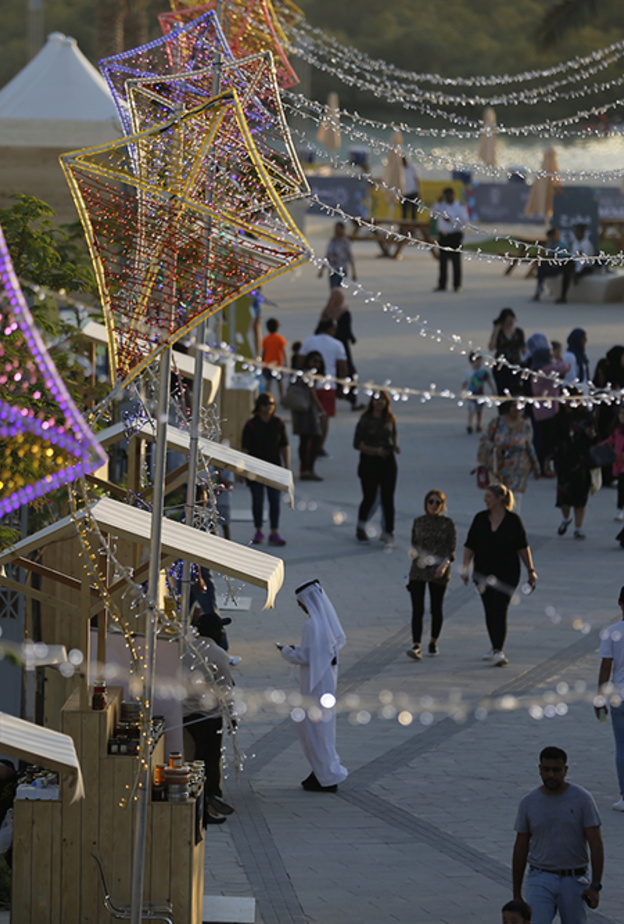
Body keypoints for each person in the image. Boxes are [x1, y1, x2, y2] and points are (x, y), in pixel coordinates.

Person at [512, 746, 604, 924]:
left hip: (574, 878)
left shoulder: (582, 799)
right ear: (539, 769)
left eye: (556, 770)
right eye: (546, 770)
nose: (551, 775)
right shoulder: (528, 802)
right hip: (539, 877)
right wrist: (516, 893)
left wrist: (595, 885)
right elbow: (520, 847)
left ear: (566, 770)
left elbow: (596, 844)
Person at [278, 579, 348, 792]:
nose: (300, 606)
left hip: (315, 686)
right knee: (323, 731)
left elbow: (306, 656)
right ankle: (322, 770)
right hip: (325, 683)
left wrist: (286, 651)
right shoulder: (324, 622)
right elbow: (322, 650)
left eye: (301, 602)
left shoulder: (311, 625)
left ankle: (326, 775)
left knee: (315, 731)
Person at [462, 483, 537, 666]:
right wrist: (465, 568)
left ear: (499, 499)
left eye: (488, 497)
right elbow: (470, 545)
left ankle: (498, 650)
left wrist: (531, 571)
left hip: (507, 573)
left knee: (499, 607)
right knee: (489, 608)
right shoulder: (480, 519)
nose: (485, 500)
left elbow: (523, 547)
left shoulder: (513, 521)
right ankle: (494, 646)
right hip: (483, 572)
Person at [183, 613, 237, 825]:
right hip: (209, 717)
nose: (222, 632)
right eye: (220, 628)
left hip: (187, 716)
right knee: (210, 765)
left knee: (194, 762)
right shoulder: (218, 653)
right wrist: (232, 716)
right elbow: (225, 690)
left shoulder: (187, 649)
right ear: (214, 631)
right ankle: (208, 808)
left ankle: (199, 806)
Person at [405, 489, 456, 660]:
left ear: (442, 505)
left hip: (438, 570)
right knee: (417, 609)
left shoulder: (448, 523)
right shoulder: (418, 522)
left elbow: (451, 550)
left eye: (437, 502)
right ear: (425, 503)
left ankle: (433, 641)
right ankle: (416, 645)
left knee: (436, 608)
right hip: (419, 570)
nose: (434, 505)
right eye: (430, 502)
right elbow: (414, 545)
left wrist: (443, 566)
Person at [353, 391, 400, 548]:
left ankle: (388, 531)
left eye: (382, 400)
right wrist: (374, 451)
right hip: (369, 462)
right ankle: (360, 528)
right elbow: (357, 443)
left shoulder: (390, 418)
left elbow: (394, 435)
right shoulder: (366, 419)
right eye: (376, 400)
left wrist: (395, 446)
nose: (379, 403)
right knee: (369, 497)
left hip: (387, 461)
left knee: (388, 498)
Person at [241, 393, 290, 546]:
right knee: (258, 500)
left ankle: (274, 531)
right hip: (255, 469)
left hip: (274, 468)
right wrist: (242, 470)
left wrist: (287, 468)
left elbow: (284, 445)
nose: (269, 406)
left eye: (272, 404)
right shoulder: (251, 425)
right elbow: (245, 449)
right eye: (266, 403)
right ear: (259, 406)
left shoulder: (278, 423)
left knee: (274, 500)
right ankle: (258, 530)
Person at [477, 402, 540, 511]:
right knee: (497, 497)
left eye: (518, 407)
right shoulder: (497, 422)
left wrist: (536, 466)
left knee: (515, 497)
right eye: (513, 406)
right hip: (498, 466)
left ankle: (513, 522)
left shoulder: (525, 425)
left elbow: (529, 445)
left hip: (518, 466)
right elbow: (485, 440)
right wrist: (494, 449)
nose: (515, 409)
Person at [594, 586, 624, 811]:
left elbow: (606, 667)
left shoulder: (612, 632)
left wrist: (599, 698)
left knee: (622, 747)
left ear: (620, 603)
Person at [299, 318, 348, 454]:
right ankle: (319, 446)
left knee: (310, 416)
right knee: (324, 417)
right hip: (328, 385)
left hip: (310, 384)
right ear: (331, 329)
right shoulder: (337, 344)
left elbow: (300, 361)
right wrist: (343, 387)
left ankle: (309, 444)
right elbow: (343, 367)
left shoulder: (309, 341)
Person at [552, 400, 596, 540]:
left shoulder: (586, 417)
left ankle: (578, 527)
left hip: (581, 460)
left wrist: (591, 434)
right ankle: (566, 518)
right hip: (564, 459)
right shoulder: (559, 417)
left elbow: (596, 437)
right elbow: (552, 437)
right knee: (564, 495)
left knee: (581, 496)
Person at [318, 289, 364, 411]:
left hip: (326, 348)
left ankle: (328, 400)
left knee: (330, 373)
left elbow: (318, 330)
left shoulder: (326, 313)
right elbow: (346, 331)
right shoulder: (344, 312)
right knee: (349, 372)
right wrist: (352, 339)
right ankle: (352, 400)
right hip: (342, 347)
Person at [529, 348, 570, 477]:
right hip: (548, 411)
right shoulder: (546, 370)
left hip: (539, 410)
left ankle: (538, 466)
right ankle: (543, 468)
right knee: (547, 442)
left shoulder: (535, 370)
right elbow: (565, 367)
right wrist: (558, 359)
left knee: (539, 439)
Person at [290, 351, 326, 481]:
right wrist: (321, 408)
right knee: (313, 438)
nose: (316, 364)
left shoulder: (304, 373)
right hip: (306, 409)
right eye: (314, 360)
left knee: (306, 439)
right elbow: (311, 392)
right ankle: (307, 469)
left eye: (319, 361)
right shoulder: (307, 374)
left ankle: (307, 469)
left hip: (303, 409)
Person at [432, 187, 468, 292]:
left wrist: (451, 221)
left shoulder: (459, 206)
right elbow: (433, 214)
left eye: (449, 196)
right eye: (445, 196)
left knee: (456, 261)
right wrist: (437, 203)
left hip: (455, 235)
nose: (447, 198)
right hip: (443, 235)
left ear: (453, 195)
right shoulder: (441, 205)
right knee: (442, 261)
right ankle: (442, 284)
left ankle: (457, 284)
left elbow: (464, 222)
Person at [489, 308, 526, 400]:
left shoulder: (518, 332)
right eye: (508, 320)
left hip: (515, 364)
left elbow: (523, 348)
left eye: (512, 319)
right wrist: (496, 331)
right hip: (501, 366)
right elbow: (491, 347)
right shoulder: (500, 333)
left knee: (514, 390)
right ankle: (503, 412)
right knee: (502, 391)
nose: (511, 322)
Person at [558, 224, 596, 304]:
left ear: (582, 233)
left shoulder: (586, 244)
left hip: (586, 267)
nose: (576, 234)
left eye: (577, 232)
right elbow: (573, 256)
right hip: (576, 265)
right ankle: (563, 295)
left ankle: (575, 277)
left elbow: (584, 260)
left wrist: (577, 271)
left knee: (570, 271)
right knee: (566, 267)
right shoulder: (575, 243)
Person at [532, 228, 568, 302]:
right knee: (541, 266)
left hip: (561, 266)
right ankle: (539, 287)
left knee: (541, 271)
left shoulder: (562, 245)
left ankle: (539, 287)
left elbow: (562, 258)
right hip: (551, 264)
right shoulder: (550, 244)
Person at [462, 351, 494, 434]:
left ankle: (479, 424)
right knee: (471, 410)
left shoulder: (483, 372)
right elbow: (464, 382)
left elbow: (488, 381)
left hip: (480, 394)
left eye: (480, 361)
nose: (478, 363)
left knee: (479, 411)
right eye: (476, 361)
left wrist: (493, 390)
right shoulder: (468, 372)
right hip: (471, 395)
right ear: (471, 362)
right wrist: (463, 391)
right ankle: (470, 425)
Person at [601, 406, 624, 520]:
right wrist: (599, 445)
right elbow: (611, 440)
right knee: (621, 486)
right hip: (619, 461)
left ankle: (621, 508)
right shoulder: (618, 430)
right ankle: (620, 509)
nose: (621, 417)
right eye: (620, 414)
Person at [319, 220, 357, 289]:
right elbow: (327, 256)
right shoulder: (331, 241)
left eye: (339, 229)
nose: (337, 231)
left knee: (337, 289)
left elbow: (350, 257)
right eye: (336, 229)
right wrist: (321, 270)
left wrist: (353, 272)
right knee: (333, 289)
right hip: (332, 269)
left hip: (341, 269)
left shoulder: (345, 242)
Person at [261, 317, 287, 401]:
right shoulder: (280, 338)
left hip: (268, 364)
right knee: (279, 382)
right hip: (278, 364)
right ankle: (282, 397)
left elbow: (264, 352)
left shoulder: (266, 339)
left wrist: (262, 362)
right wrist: (285, 361)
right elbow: (283, 351)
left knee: (269, 382)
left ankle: (267, 397)